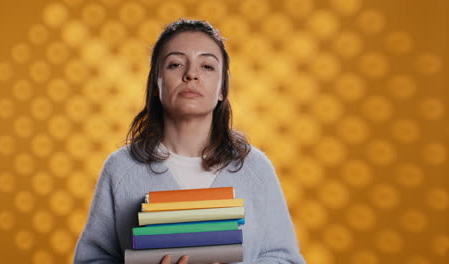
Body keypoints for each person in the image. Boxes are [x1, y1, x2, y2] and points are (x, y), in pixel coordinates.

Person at [73, 19, 305, 264]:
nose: (191, 74)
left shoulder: (255, 168)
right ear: (156, 83)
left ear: (222, 89)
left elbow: (285, 259)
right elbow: (91, 259)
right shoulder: (120, 168)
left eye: (207, 66)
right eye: (175, 64)